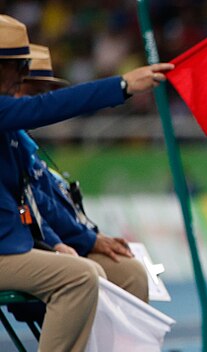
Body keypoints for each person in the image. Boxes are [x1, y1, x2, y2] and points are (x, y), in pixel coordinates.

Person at [0, 14, 173, 352]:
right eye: (19, 68)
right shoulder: (11, 127)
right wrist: (123, 85)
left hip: (17, 246)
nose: (24, 83)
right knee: (77, 277)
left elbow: (41, 201)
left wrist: (85, 240)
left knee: (126, 272)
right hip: (8, 251)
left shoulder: (12, 136)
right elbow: (50, 113)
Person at [17, 44, 149, 302]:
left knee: (129, 270)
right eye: (33, 92)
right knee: (91, 274)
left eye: (43, 93)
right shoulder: (14, 143)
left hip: (48, 244)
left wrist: (91, 236)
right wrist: (81, 241)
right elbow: (34, 205)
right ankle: (75, 344)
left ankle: (127, 345)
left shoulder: (26, 146)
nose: (39, 102)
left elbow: (45, 202)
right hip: (28, 248)